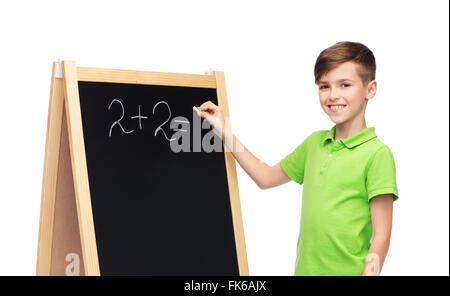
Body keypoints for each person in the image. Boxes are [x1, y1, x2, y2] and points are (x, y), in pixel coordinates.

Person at [195, 41, 398, 276]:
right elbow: (265, 177)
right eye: (324, 86)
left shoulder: (377, 154)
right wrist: (225, 132)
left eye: (345, 85)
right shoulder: (314, 144)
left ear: (370, 89)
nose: (333, 95)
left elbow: (381, 238)